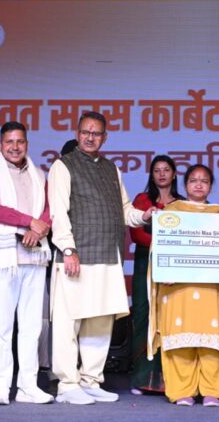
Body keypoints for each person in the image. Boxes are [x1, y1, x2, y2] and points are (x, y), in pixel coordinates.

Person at [47, 111, 154, 405]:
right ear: (77, 133)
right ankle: (67, 385)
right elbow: (58, 213)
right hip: (76, 257)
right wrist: (68, 250)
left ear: (104, 138)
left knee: (100, 321)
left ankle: (90, 380)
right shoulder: (63, 166)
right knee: (69, 322)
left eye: (96, 134)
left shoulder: (112, 169)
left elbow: (124, 210)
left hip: (108, 256)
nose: (90, 137)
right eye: (85, 132)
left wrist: (144, 216)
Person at [0, 121, 53, 405]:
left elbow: (49, 210)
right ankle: (1, 387)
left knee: (32, 327)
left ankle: (28, 387)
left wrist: (38, 229)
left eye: (20, 141)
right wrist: (28, 222)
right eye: (9, 141)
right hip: (3, 259)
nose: (15, 147)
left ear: (27, 145)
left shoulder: (40, 174)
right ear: (0, 145)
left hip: (35, 256)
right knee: (2, 325)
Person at [147, 164, 219, 407]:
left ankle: (212, 390)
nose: (198, 185)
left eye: (204, 181)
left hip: (212, 287)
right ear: (185, 185)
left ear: (210, 187)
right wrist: (163, 270)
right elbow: (159, 249)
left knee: (211, 340)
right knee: (180, 339)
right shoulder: (171, 212)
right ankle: (181, 390)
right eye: (193, 180)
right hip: (178, 287)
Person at [129, 155, 184, 395]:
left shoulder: (182, 204)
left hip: (172, 265)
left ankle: (170, 378)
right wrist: (164, 244)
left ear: (174, 174)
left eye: (166, 170)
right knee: (143, 314)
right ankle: (142, 378)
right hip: (146, 263)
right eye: (157, 170)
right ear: (151, 175)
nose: (162, 174)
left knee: (169, 317)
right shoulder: (142, 200)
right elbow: (136, 234)